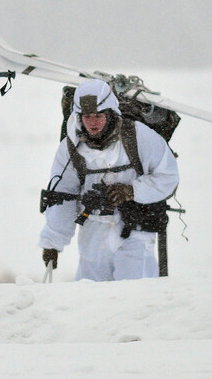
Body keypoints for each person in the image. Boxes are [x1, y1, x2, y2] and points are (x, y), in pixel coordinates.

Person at [38, 79, 179, 281]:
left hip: (135, 231)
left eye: (98, 115)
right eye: (87, 116)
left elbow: (168, 176)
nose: (93, 122)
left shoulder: (139, 137)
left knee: (137, 296)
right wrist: (52, 242)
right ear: (79, 117)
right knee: (90, 298)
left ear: (111, 113)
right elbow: (63, 195)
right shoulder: (70, 148)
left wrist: (132, 191)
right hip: (93, 232)